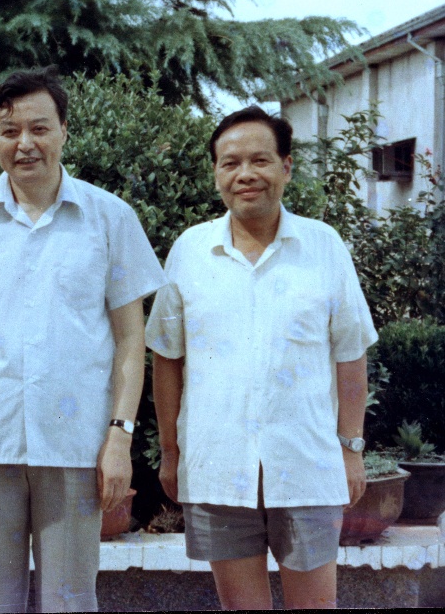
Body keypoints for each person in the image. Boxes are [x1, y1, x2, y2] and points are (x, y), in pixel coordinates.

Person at [0, 67, 166, 613]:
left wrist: (119, 437)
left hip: (76, 442)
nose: (25, 144)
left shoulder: (109, 217)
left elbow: (131, 339)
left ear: (64, 129)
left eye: (39, 128)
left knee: (70, 600)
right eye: (9, 130)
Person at [146, 105, 377, 610]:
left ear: (286, 167)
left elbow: (350, 354)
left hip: (306, 467)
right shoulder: (189, 251)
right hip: (216, 467)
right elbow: (167, 357)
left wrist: (351, 449)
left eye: (260, 160)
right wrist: (170, 451)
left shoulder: (323, 247)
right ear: (216, 173)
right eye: (230, 163)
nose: (245, 174)